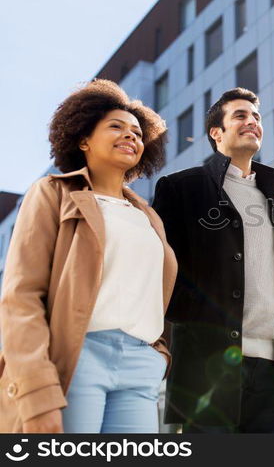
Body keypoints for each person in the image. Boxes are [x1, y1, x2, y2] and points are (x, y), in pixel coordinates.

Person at [0, 79, 174, 433]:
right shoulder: (53, 193)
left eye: (138, 133)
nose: (131, 136)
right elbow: (21, 297)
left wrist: (159, 352)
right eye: (116, 126)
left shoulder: (149, 216)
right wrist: (37, 390)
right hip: (77, 357)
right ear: (83, 140)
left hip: (140, 365)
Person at [151, 88, 274, 433]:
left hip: (269, 370)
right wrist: (194, 317)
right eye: (240, 115)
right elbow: (160, 271)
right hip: (207, 366)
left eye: (256, 117)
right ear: (216, 132)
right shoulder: (182, 188)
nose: (251, 121)